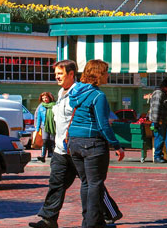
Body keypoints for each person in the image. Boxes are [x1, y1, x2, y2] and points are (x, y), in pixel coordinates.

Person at [66, 60, 126, 228]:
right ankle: (91, 223)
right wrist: (116, 145)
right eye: (106, 72)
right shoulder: (98, 96)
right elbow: (103, 124)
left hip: (74, 142)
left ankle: (92, 220)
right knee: (95, 184)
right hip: (92, 143)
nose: (108, 75)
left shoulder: (76, 91)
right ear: (99, 74)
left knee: (86, 183)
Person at [30, 60, 82, 228]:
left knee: (92, 184)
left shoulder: (79, 93)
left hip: (76, 149)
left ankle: (109, 213)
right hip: (60, 149)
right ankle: (48, 219)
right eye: (56, 74)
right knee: (56, 183)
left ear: (71, 74)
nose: (57, 77)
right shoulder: (61, 93)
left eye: (60, 73)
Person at [149, 81, 167, 163]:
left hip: (161, 121)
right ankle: (157, 156)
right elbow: (156, 108)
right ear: (165, 86)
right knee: (159, 138)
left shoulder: (162, 94)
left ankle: (159, 155)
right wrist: (156, 121)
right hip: (159, 121)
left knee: (160, 138)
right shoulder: (159, 94)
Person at [34, 91, 56, 163]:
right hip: (44, 126)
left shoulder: (55, 105)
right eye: (43, 98)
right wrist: (37, 128)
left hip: (53, 126)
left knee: (53, 141)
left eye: (46, 97)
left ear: (49, 97)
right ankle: (43, 156)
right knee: (45, 141)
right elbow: (38, 117)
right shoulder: (41, 106)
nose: (45, 99)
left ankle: (54, 156)